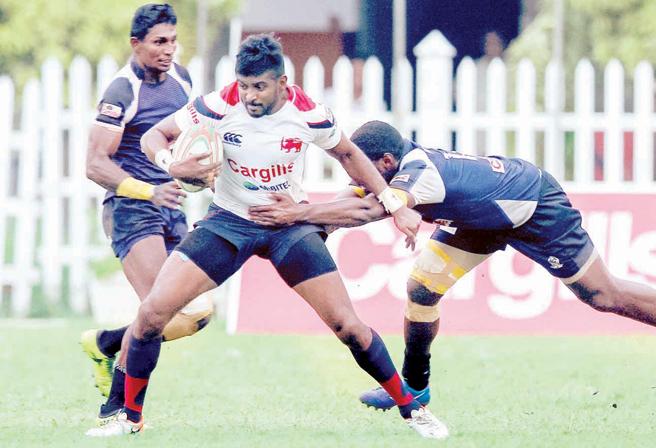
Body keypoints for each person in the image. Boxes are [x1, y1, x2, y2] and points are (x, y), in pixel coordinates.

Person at [86, 34, 448, 439]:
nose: (249, 96)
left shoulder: (308, 112)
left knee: (348, 327)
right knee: (153, 313)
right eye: (243, 85)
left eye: (259, 86)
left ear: (283, 82)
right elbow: (155, 136)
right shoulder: (220, 103)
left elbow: (347, 153)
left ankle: (412, 410)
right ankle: (128, 417)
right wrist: (172, 164)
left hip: (286, 225)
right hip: (228, 222)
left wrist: (393, 203)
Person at [247, 120, 656, 411]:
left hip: (532, 204)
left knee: (601, 296)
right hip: (476, 217)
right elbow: (354, 199)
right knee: (420, 289)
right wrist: (318, 221)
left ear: (386, 161)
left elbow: (372, 209)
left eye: (359, 165)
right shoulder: (394, 170)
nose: (355, 174)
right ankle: (415, 389)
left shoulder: (421, 176)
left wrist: (298, 213)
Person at [81, 2, 215, 428]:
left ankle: (105, 344)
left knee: (198, 315)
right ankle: (116, 411)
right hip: (131, 210)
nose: (169, 50)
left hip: (170, 206)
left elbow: (185, 140)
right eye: (159, 42)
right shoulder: (122, 91)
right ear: (135, 44)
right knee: (157, 314)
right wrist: (149, 190)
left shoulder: (182, 78)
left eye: (173, 40)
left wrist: (202, 173)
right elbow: (95, 165)